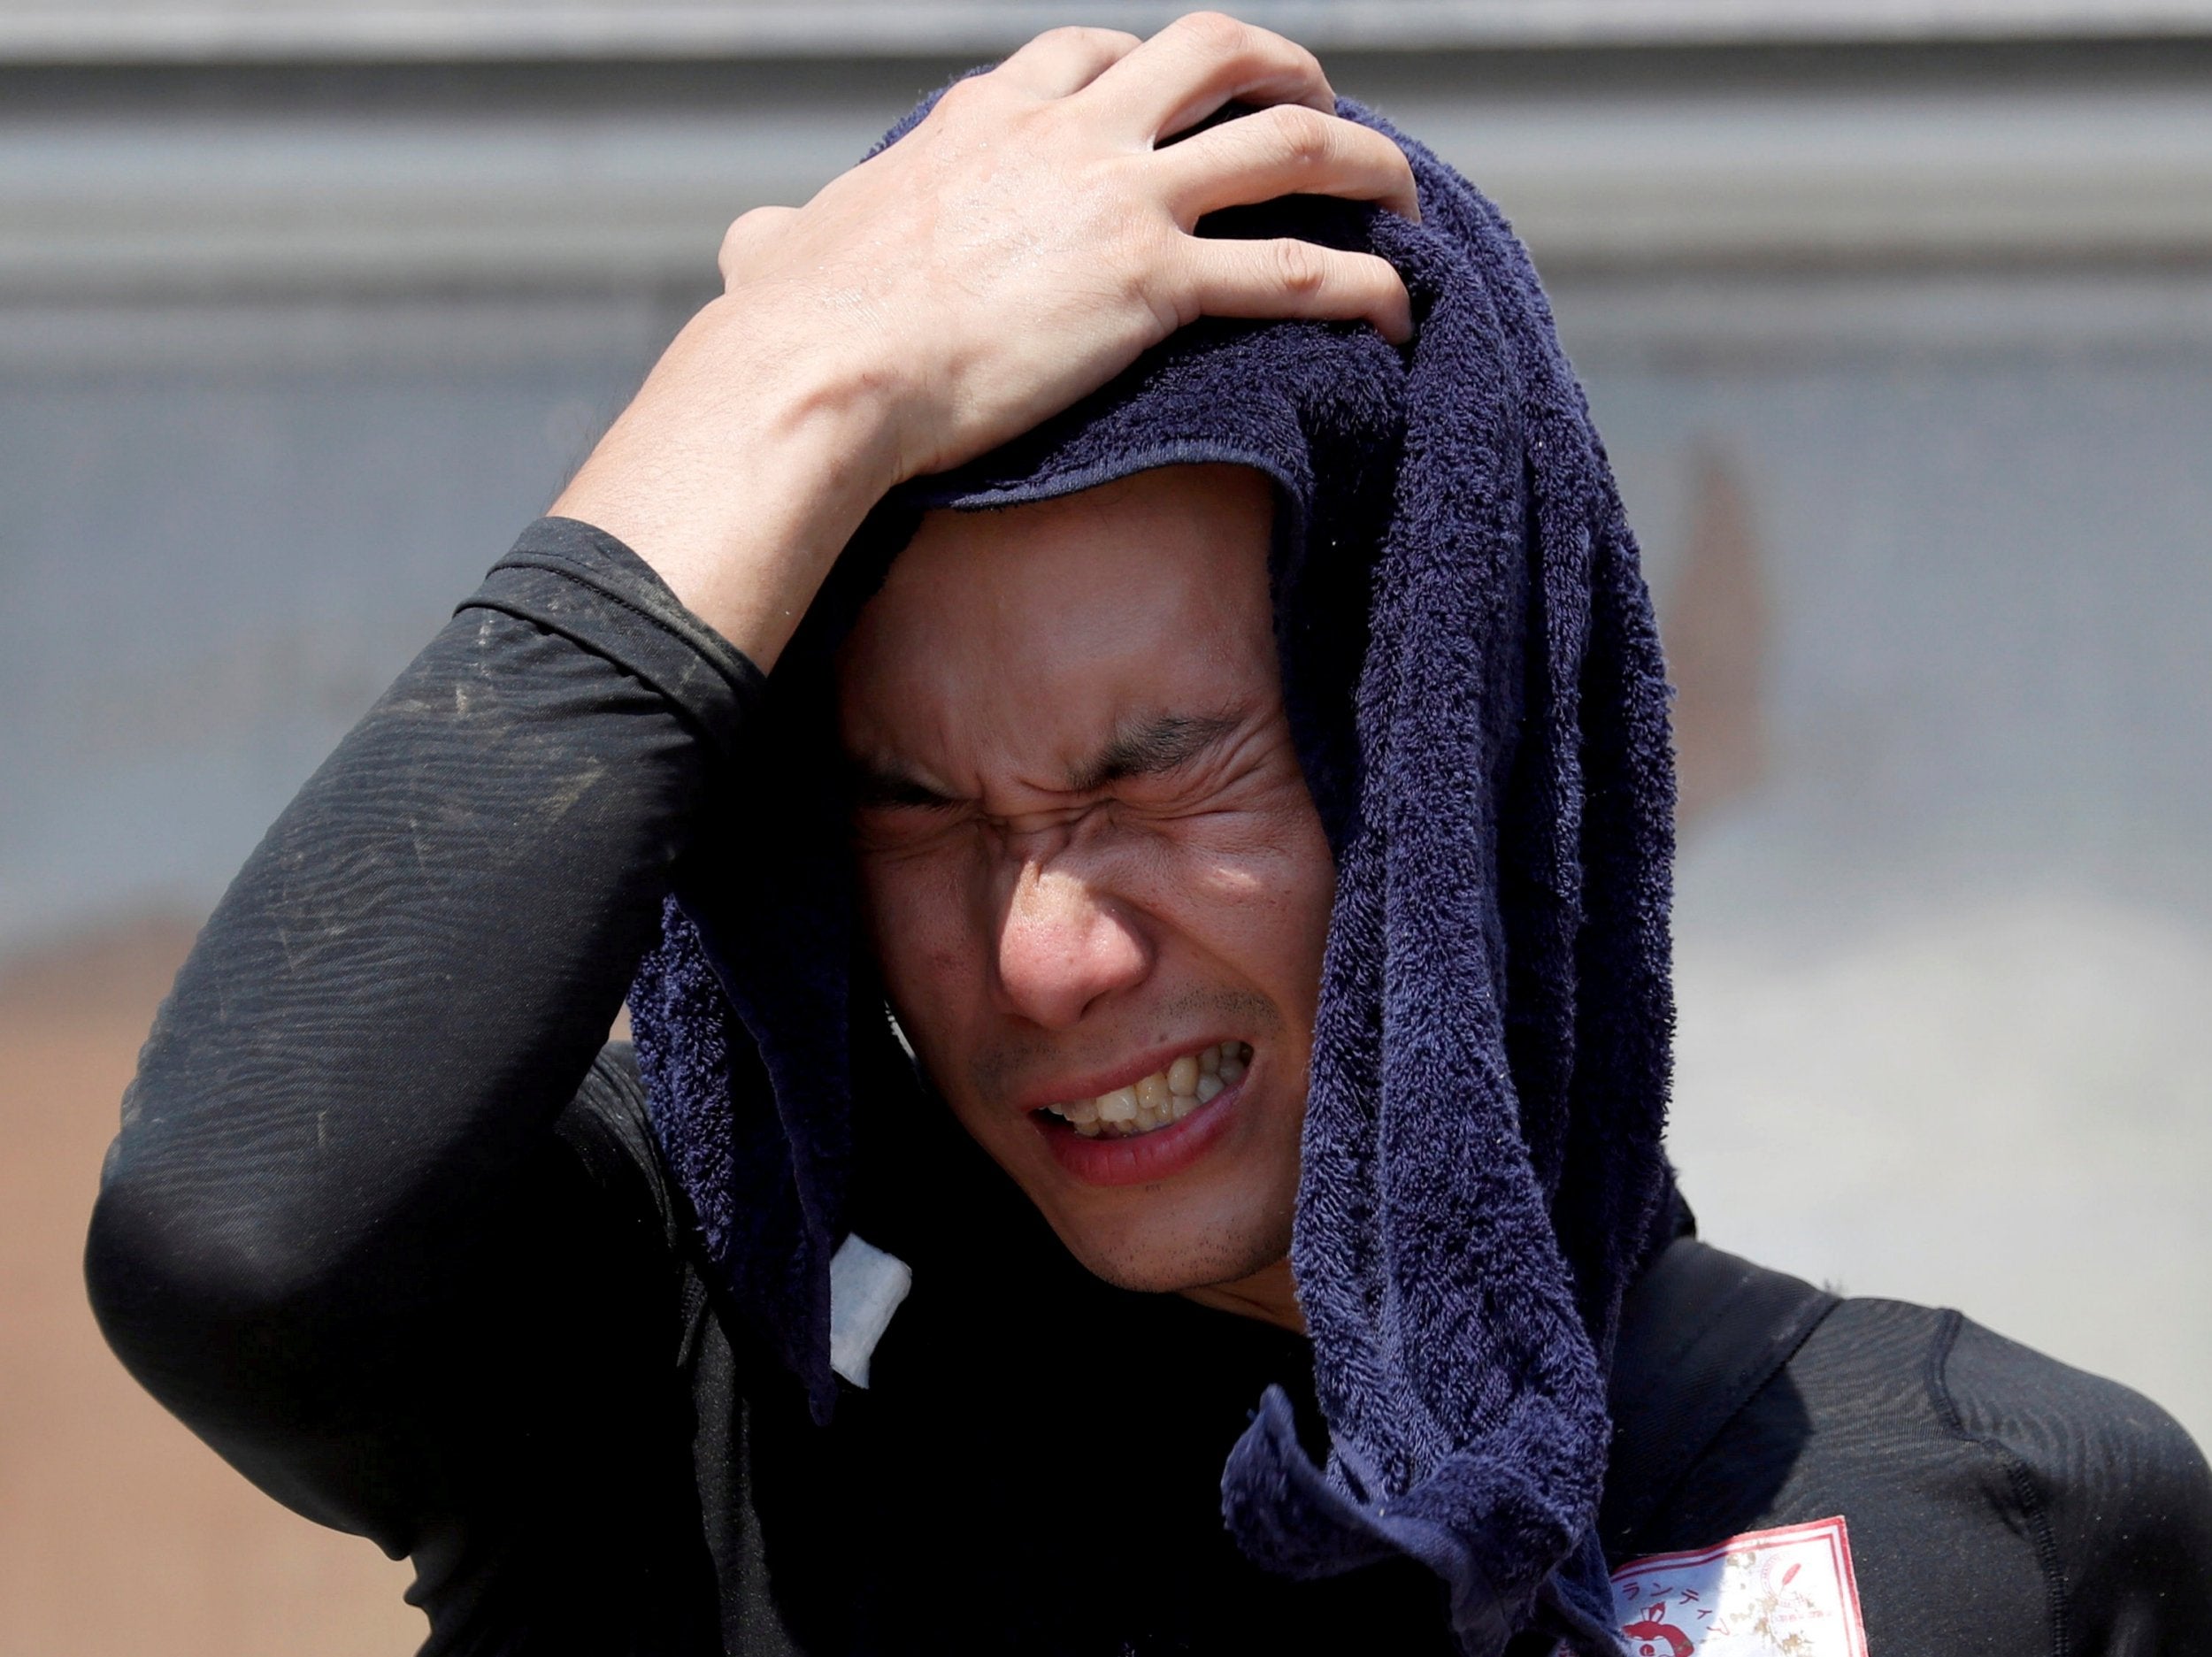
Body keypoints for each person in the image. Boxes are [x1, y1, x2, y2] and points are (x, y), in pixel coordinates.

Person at [84, 16, 2211, 1656]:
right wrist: (794, 377)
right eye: (916, 808)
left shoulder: (1989, 1525)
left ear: (1442, 764)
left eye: (1158, 774)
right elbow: (238, 1235)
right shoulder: (685, 1391)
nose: (1045, 959)